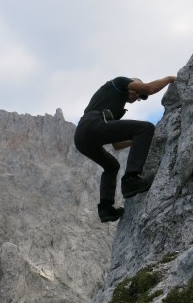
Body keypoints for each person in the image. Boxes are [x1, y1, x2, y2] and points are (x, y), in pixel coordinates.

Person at [74, 75, 177, 222]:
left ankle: (106, 208)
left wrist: (140, 139)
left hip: (82, 138)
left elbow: (117, 145)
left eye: (140, 97)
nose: (137, 95)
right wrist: (169, 79)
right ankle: (131, 180)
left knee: (112, 166)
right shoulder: (118, 82)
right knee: (146, 127)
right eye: (137, 90)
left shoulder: (116, 109)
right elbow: (149, 88)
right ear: (131, 84)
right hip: (92, 124)